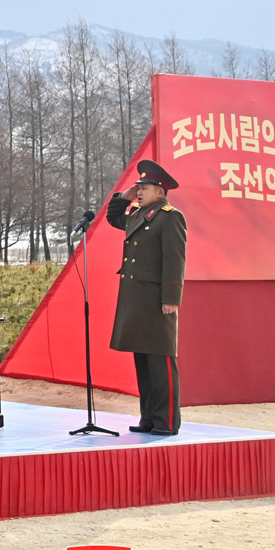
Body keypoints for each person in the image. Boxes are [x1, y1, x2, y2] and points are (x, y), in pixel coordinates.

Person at [106, 159, 187, 436]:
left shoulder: (170, 216)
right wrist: (124, 196)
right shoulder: (138, 215)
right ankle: (149, 418)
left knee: (160, 362)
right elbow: (112, 217)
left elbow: (175, 261)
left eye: (145, 187)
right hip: (136, 301)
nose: (139, 192)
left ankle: (166, 422)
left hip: (157, 301)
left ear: (161, 192)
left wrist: (171, 298)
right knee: (143, 361)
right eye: (138, 187)